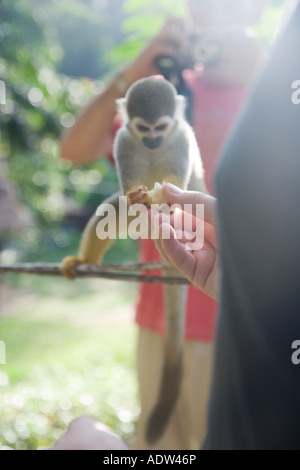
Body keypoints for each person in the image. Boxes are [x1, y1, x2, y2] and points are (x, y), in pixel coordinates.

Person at [53, 1, 300, 450]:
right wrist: (135, 69)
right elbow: (73, 148)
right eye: (204, 7)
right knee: (162, 445)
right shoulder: (165, 96)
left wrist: (267, 79)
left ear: (259, 10)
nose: (216, 16)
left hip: (244, 319)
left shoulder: (282, 97)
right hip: (163, 313)